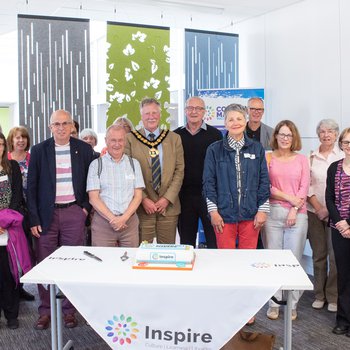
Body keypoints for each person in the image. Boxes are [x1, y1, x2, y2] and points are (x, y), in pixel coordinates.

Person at [27, 110, 94, 330]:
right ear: (50, 127)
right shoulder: (38, 151)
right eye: (57, 124)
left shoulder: (84, 149)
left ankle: (69, 311)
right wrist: (34, 218)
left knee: (73, 264)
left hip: (74, 213)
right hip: (46, 216)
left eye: (65, 123)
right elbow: (32, 187)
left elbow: (90, 181)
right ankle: (45, 310)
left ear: (72, 127)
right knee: (45, 263)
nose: (61, 127)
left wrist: (84, 209)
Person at [263, 120, 309, 321]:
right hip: (272, 214)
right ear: (276, 137)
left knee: (293, 262)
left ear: (294, 138)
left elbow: (304, 187)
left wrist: (295, 208)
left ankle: (292, 305)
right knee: (273, 261)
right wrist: (290, 199)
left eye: (288, 135)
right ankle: (274, 303)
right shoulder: (268, 157)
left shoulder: (302, 160)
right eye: (281, 134)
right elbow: (266, 185)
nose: (284, 138)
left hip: (297, 215)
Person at [125, 97, 184, 244]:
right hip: (142, 207)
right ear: (141, 116)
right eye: (147, 113)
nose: (151, 116)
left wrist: (166, 198)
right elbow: (128, 172)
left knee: (167, 253)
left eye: (154, 113)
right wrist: (143, 199)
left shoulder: (174, 138)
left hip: (168, 206)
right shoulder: (130, 139)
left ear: (160, 114)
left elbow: (179, 171)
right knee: (143, 253)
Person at [174, 96, 222, 248]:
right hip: (184, 197)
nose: (194, 111)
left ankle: (213, 272)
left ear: (204, 112)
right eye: (190, 108)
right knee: (186, 244)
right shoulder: (175, 136)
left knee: (213, 242)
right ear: (185, 111)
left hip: (209, 197)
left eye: (198, 108)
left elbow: (219, 167)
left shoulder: (215, 135)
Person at [87, 124, 144, 247]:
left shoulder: (134, 164)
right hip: (103, 224)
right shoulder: (96, 165)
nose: (117, 144)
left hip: (129, 223)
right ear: (106, 141)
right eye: (113, 140)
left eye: (120, 140)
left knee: (130, 262)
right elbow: (93, 198)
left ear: (125, 141)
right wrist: (113, 219)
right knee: (102, 262)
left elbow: (138, 196)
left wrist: (123, 218)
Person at [307, 119, 344, 312]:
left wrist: (329, 209)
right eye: (322, 131)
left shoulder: (342, 156)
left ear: (336, 134)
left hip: (337, 215)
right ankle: (319, 294)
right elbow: (307, 185)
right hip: (314, 212)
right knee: (318, 255)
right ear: (318, 134)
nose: (326, 135)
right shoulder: (311, 157)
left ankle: (333, 295)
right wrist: (318, 207)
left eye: (330, 131)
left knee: (334, 256)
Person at [0, 132, 32, 329]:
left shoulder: (11, 167)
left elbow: (17, 196)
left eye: (1, 145)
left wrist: (4, 220)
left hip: (8, 228)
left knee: (9, 272)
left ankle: (12, 314)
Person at [325, 127, 350, 336]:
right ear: (341, 144)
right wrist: (341, 222)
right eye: (346, 142)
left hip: (347, 226)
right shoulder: (334, 167)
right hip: (338, 229)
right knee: (343, 275)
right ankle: (343, 319)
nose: (349, 146)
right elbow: (329, 198)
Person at [7, 126, 35, 301]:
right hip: (11, 212)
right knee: (11, 252)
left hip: (30, 211)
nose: (20, 140)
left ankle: (21, 286)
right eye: (17, 138)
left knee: (27, 251)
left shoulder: (33, 159)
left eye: (23, 137)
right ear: (11, 141)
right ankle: (11, 288)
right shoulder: (6, 161)